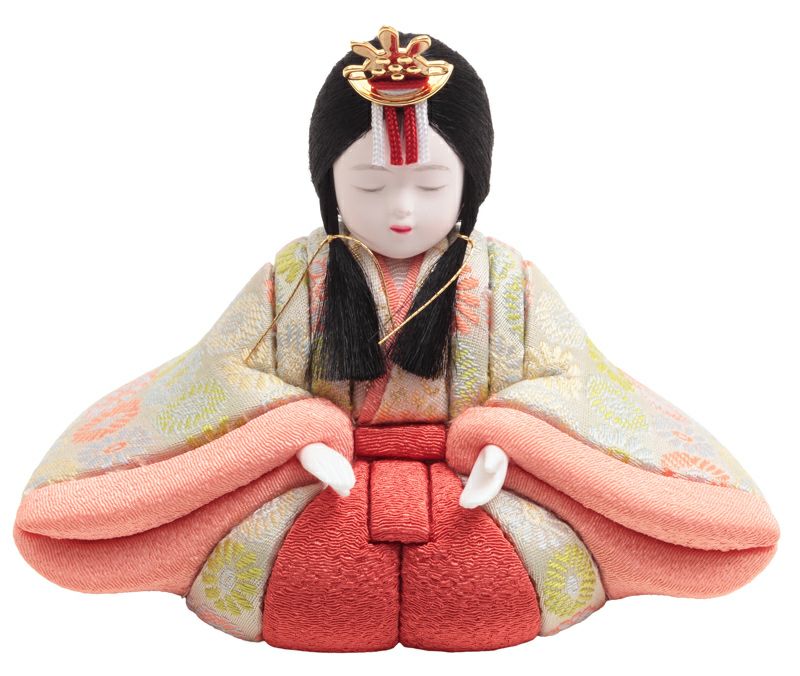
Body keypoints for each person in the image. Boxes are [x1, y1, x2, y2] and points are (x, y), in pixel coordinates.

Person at [13, 25, 779, 653]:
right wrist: (299, 434)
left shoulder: (507, 279)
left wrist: (505, 438)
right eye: (372, 186)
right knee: (300, 573)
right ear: (330, 185)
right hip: (318, 482)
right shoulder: (296, 276)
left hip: (480, 484)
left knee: (497, 573)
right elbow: (223, 372)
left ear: (472, 184)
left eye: (432, 185)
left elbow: (569, 378)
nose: (402, 210)